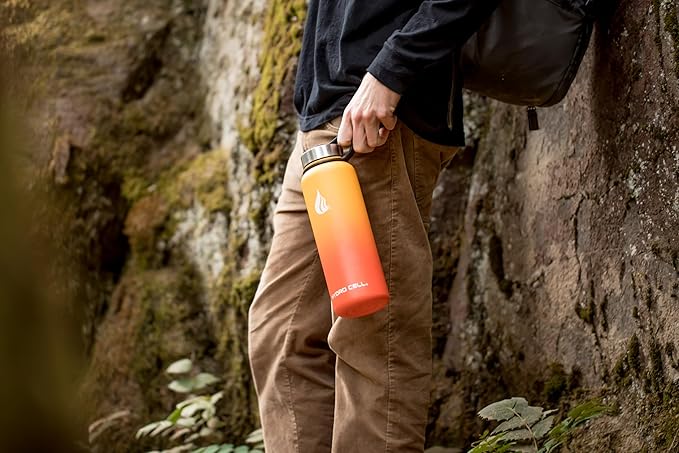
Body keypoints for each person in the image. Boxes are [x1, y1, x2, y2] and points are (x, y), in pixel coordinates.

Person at [248, 1, 498, 451]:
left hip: (380, 120)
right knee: (280, 334)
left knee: (373, 344)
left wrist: (390, 73)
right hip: (324, 123)